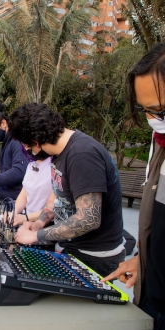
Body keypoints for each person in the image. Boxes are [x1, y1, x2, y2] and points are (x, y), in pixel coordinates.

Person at [8, 102, 125, 277]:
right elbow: (58, 198)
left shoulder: (82, 154)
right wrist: (39, 222)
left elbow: (89, 218)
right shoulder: (59, 152)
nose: (28, 151)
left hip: (93, 257)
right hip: (71, 247)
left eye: (27, 146)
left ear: (36, 142)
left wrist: (37, 235)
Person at [102, 42, 165, 329]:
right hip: (153, 297)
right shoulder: (159, 142)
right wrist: (142, 260)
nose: (153, 121)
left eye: (160, 111)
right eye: (146, 111)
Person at [10, 155, 53, 226]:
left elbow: (53, 206)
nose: (27, 149)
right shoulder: (32, 163)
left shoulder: (54, 165)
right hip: (28, 221)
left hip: (49, 224)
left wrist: (25, 218)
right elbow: (25, 193)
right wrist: (14, 213)